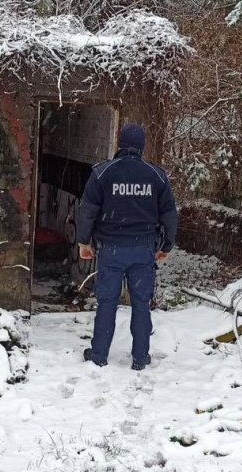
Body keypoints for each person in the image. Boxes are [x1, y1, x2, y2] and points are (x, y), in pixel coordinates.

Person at [75, 123, 178, 370]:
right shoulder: (156, 176)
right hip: (143, 249)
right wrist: (166, 245)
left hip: (111, 249)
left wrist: (83, 241)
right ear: (142, 146)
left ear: (120, 143)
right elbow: (169, 214)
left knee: (107, 302)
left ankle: (99, 354)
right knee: (141, 304)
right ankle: (140, 357)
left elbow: (87, 211)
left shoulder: (103, 173)